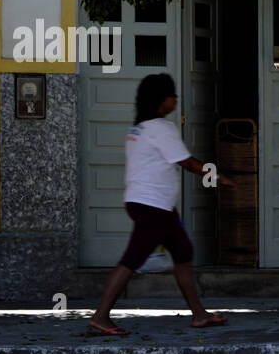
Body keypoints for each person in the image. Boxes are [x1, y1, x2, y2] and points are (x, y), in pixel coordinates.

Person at [89, 73, 235, 335]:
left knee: (183, 253)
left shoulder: (138, 129)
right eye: (172, 95)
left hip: (151, 205)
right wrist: (218, 176)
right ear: (162, 100)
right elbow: (187, 163)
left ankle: (199, 315)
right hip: (153, 207)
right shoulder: (161, 128)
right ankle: (101, 316)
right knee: (132, 259)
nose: (176, 99)